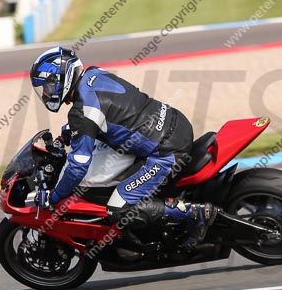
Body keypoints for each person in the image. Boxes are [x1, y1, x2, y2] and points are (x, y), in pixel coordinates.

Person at [30, 46, 217, 247]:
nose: (47, 94)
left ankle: (195, 213)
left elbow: (78, 166)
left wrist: (55, 196)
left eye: (48, 87)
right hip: (176, 121)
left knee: (117, 208)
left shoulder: (81, 113)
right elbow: (114, 110)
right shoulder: (94, 74)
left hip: (167, 152)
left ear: (61, 79)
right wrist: (70, 132)